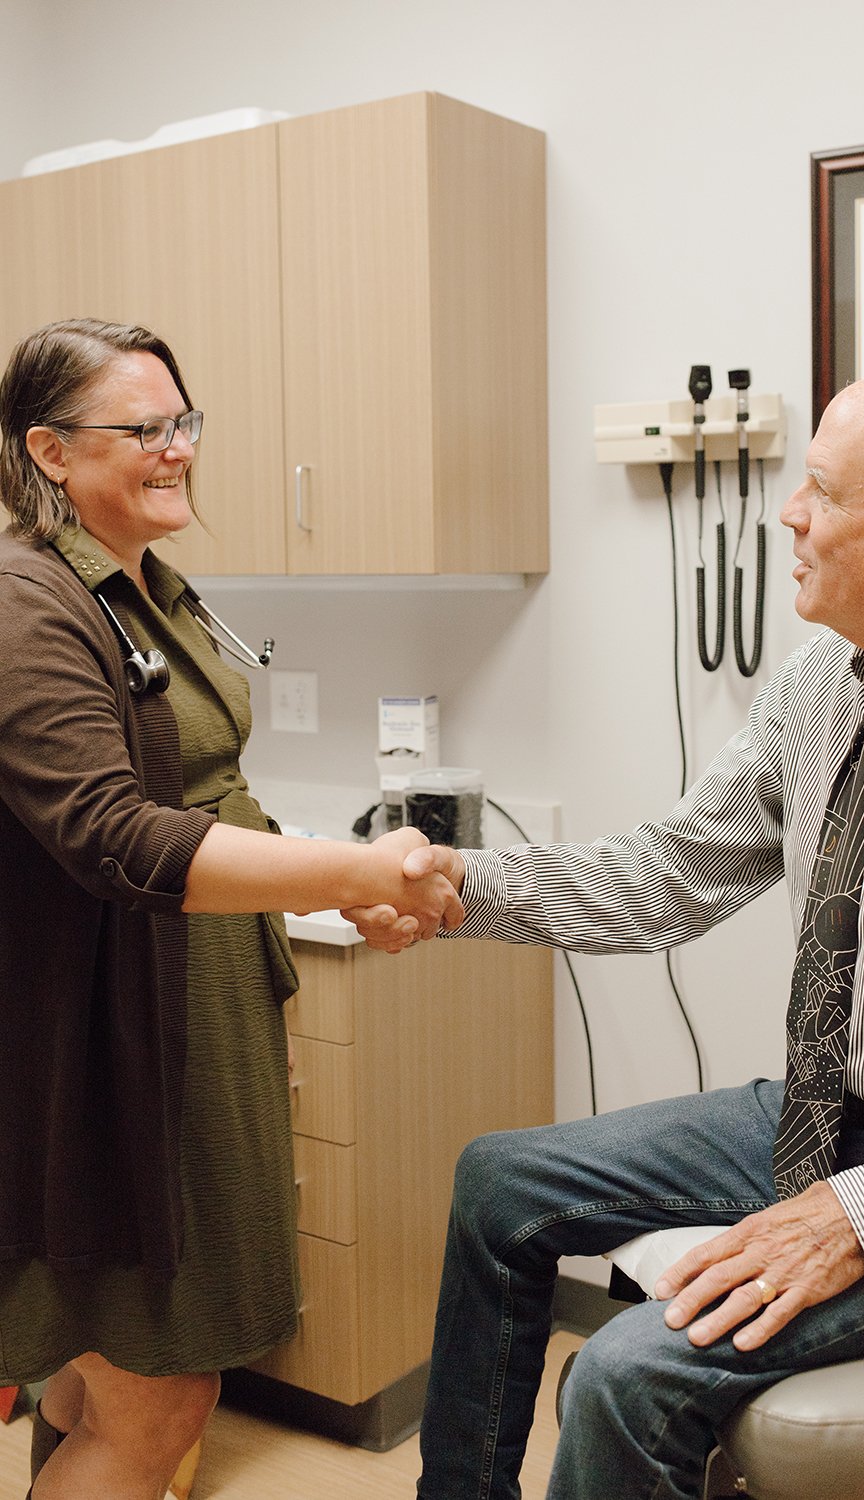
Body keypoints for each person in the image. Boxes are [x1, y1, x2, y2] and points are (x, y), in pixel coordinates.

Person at [345, 369, 864, 1500]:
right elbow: (668, 876)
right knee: (501, 1184)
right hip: (826, 1114)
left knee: (621, 1374)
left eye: (820, 491)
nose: (787, 515)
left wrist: (856, 1212)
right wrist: (460, 884)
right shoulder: (822, 682)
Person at [0, 317, 463, 1500]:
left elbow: (214, 790)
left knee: (101, 1362)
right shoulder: (27, 603)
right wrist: (353, 874)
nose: (176, 451)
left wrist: (329, 879)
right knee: (161, 1396)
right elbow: (111, 834)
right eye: (141, 429)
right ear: (50, 453)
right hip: (112, 1050)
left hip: (200, 1013)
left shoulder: (149, 589)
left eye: (183, 423)